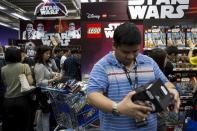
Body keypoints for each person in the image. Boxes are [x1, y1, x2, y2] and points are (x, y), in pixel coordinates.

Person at [87, 22, 180, 131]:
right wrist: (118, 108)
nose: (131, 56)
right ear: (114, 45)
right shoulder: (102, 66)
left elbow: (166, 83)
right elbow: (92, 95)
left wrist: (172, 90)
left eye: (135, 51)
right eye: (125, 52)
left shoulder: (149, 62)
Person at [1, 47, 34, 131]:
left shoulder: (3, 69)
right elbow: (30, 82)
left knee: (10, 126)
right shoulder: (24, 66)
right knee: (25, 125)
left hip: (7, 101)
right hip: (22, 100)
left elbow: (5, 84)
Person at [34, 45, 61, 131]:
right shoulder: (39, 66)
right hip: (42, 93)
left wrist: (54, 74)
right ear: (41, 54)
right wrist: (52, 79)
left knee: (43, 113)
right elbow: (39, 82)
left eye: (49, 53)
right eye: (46, 53)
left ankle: (40, 129)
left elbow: (50, 71)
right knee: (45, 114)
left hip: (46, 92)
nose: (48, 55)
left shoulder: (45, 63)